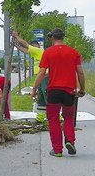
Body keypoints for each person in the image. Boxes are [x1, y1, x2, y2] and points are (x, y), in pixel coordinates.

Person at [31, 28, 85, 157]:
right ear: (62, 37)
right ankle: (70, 140)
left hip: (53, 91)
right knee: (68, 117)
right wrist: (82, 89)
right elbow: (80, 72)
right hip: (69, 91)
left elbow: (41, 72)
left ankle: (57, 150)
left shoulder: (48, 52)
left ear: (52, 38)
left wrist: (34, 89)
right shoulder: (73, 52)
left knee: (53, 118)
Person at [12, 30, 47, 122]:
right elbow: (26, 50)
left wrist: (16, 36)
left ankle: (56, 117)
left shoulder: (38, 50)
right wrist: (16, 45)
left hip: (44, 77)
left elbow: (26, 45)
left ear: (36, 46)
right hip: (40, 77)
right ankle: (40, 118)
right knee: (41, 98)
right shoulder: (35, 53)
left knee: (47, 97)